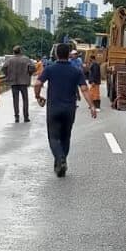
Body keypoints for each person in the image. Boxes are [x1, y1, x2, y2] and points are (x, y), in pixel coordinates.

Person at [35, 42, 97, 177]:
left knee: (53, 137)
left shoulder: (50, 69)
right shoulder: (76, 71)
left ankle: (60, 158)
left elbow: (38, 83)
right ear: (69, 54)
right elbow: (84, 90)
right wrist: (92, 106)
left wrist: (38, 95)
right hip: (69, 109)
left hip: (54, 108)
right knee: (66, 136)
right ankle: (62, 159)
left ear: (56, 54)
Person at [3, 45, 36, 123]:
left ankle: (16, 117)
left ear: (13, 52)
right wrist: (29, 74)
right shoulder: (26, 59)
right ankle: (26, 117)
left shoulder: (9, 60)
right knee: (25, 99)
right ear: (21, 51)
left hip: (13, 82)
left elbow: (3, 68)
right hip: (24, 82)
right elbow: (33, 68)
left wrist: (8, 74)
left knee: (15, 100)